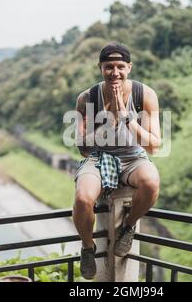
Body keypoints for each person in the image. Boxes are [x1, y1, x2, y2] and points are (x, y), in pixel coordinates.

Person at [73, 43, 161, 279]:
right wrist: (110, 123)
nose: (115, 72)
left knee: (151, 183)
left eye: (120, 66)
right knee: (83, 199)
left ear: (129, 67)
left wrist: (128, 120)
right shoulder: (87, 98)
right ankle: (88, 247)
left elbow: (154, 146)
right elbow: (82, 147)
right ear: (100, 68)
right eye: (108, 66)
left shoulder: (145, 95)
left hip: (133, 156)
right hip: (99, 156)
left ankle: (128, 226)